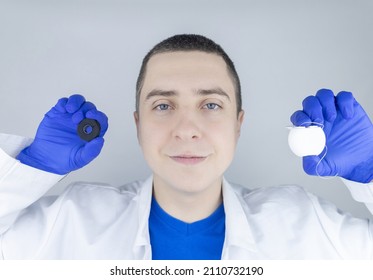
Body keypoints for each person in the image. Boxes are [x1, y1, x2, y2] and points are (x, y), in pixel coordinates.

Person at [0, 34, 373, 260]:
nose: (187, 129)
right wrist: (35, 166)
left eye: (211, 105)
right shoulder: (73, 220)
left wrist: (369, 171)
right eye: (163, 106)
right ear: (138, 125)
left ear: (237, 124)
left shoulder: (304, 223)